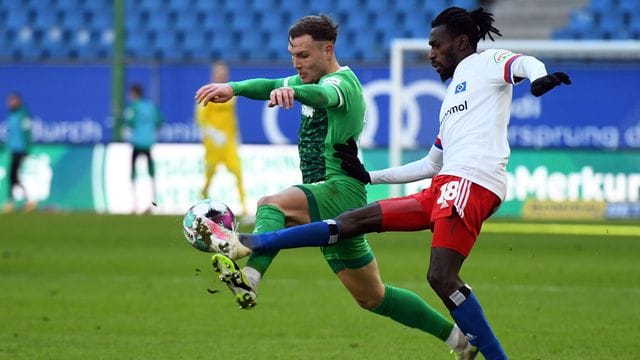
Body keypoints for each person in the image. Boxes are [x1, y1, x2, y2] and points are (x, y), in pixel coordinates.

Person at [203, 7, 571, 360]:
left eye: (436, 45)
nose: (296, 64)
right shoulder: (452, 99)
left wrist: (539, 77)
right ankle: (458, 339)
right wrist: (233, 88)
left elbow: (520, 63)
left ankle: (250, 262)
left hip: (388, 187)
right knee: (372, 294)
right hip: (421, 185)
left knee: (273, 204)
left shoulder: (346, 83)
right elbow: (431, 162)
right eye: (292, 55)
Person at [195, 61, 248, 215]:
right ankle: (202, 202)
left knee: (238, 173)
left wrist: (237, 136)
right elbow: (201, 117)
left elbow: (232, 117)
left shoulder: (230, 93)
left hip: (229, 143)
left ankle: (245, 209)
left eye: (224, 73)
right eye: (219, 73)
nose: (222, 76)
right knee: (209, 176)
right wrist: (213, 133)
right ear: (213, 75)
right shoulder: (208, 92)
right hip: (213, 144)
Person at [123, 84, 163, 213]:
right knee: (151, 173)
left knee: (133, 172)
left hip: (137, 142)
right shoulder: (151, 107)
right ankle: (153, 203)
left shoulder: (133, 107)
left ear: (134, 94)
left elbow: (129, 122)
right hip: (148, 143)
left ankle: (134, 205)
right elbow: (159, 121)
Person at [3, 92, 35, 212]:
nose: (10, 103)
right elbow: (10, 134)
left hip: (21, 149)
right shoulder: (11, 114)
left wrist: (27, 149)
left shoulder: (23, 114)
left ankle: (13, 202)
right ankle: (26, 200)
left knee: (13, 175)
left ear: (18, 101)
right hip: (13, 149)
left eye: (12, 100)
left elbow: (27, 132)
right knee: (13, 176)